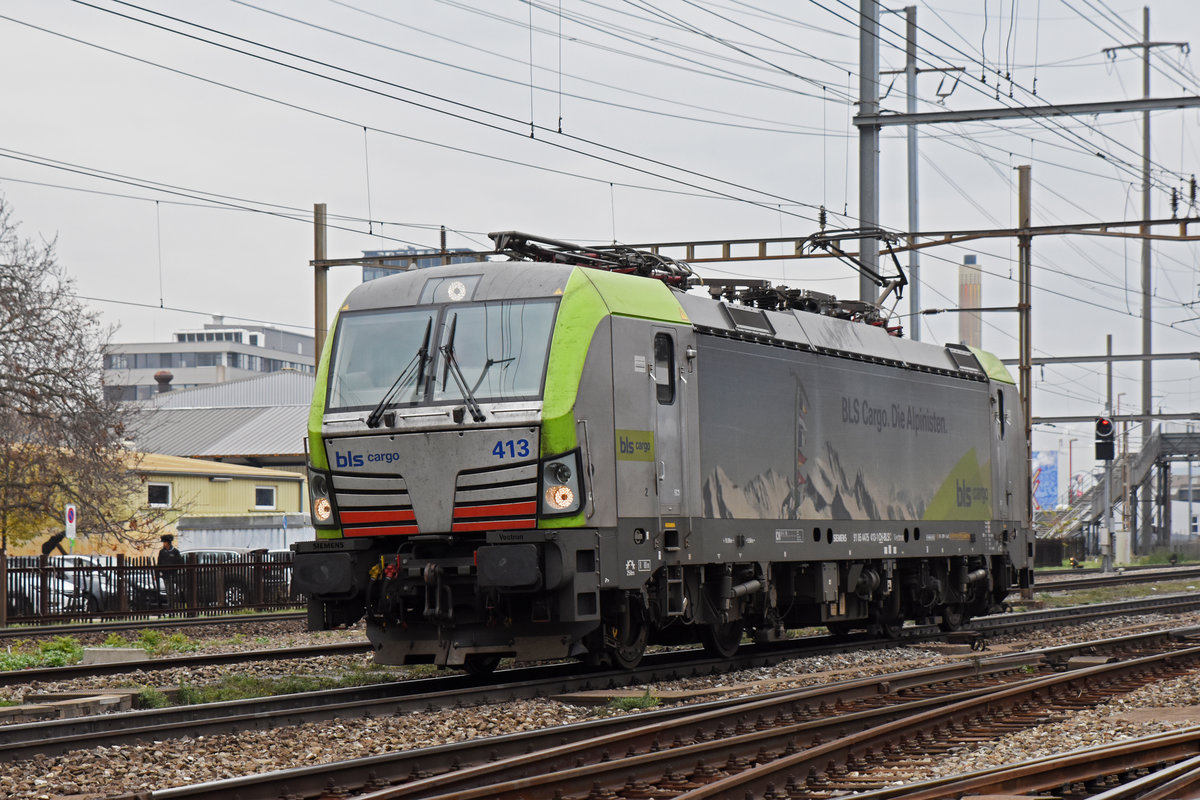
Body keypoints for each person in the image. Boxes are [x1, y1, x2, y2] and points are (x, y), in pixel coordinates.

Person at [157, 534, 184, 604]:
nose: (163, 544)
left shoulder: (175, 552)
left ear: (168, 543)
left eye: (164, 542)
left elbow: (180, 563)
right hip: (165, 574)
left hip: (173, 574)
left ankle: (172, 605)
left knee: (171, 591)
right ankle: (170, 605)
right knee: (168, 591)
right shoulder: (162, 552)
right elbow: (159, 563)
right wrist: (158, 572)